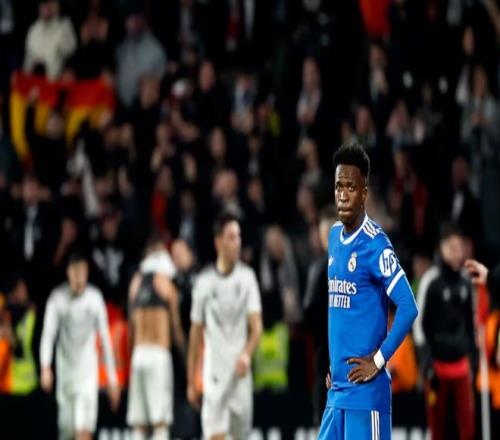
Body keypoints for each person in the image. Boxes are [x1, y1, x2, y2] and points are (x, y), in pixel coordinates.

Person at [318, 143, 418, 440]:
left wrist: (378, 360)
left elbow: (408, 306)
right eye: (338, 186)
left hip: (366, 397)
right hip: (337, 392)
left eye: (351, 187)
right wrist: (335, 364)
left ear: (364, 193)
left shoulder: (376, 244)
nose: (343, 194)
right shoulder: (334, 236)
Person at [187, 211, 263, 440]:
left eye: (238, 236)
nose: (237, 242)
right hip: (214, 376)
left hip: (240, 376)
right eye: (231, 237)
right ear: (218, 241)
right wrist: (191, 381)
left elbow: (256, 327)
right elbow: (195, 333)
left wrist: (247, 354)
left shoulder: (247, 278)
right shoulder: (203, 282)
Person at [40, 252, 120, 440]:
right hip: (65, 373)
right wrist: (45, 366)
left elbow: (105, 339)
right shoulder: (57, 298)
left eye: (82, 272)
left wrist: (112, 379)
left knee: (84, 432)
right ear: (68, 273)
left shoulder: (95, 298)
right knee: (67, 433)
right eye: (75, 272)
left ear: (87, 272)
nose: (79, 278)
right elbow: (49, 334)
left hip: (87, 374)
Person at [413, 224, 476, 440]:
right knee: (437, 428)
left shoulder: (466, 282)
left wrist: (473, 359)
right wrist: (426, 362)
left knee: (467, 429)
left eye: (459, 247)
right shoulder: (431, 281)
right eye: (452, 247)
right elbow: (418, 325)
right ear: (441, 248)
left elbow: (470, 325)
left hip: (461, 366)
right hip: (437, 367)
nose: (457, 253)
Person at [127, 236, 186, 440]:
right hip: (159, 355)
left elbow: (131, 328)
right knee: (160, 423)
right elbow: (176, 328)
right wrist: (186, 355)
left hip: (138, 356)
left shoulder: (135, 284)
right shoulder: (166, 284)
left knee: (139, 425)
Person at [303, 205, 337, 427]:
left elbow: (309, 314)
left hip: (328, 359)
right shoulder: (359, 266)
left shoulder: (319, 269)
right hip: (348, 361)